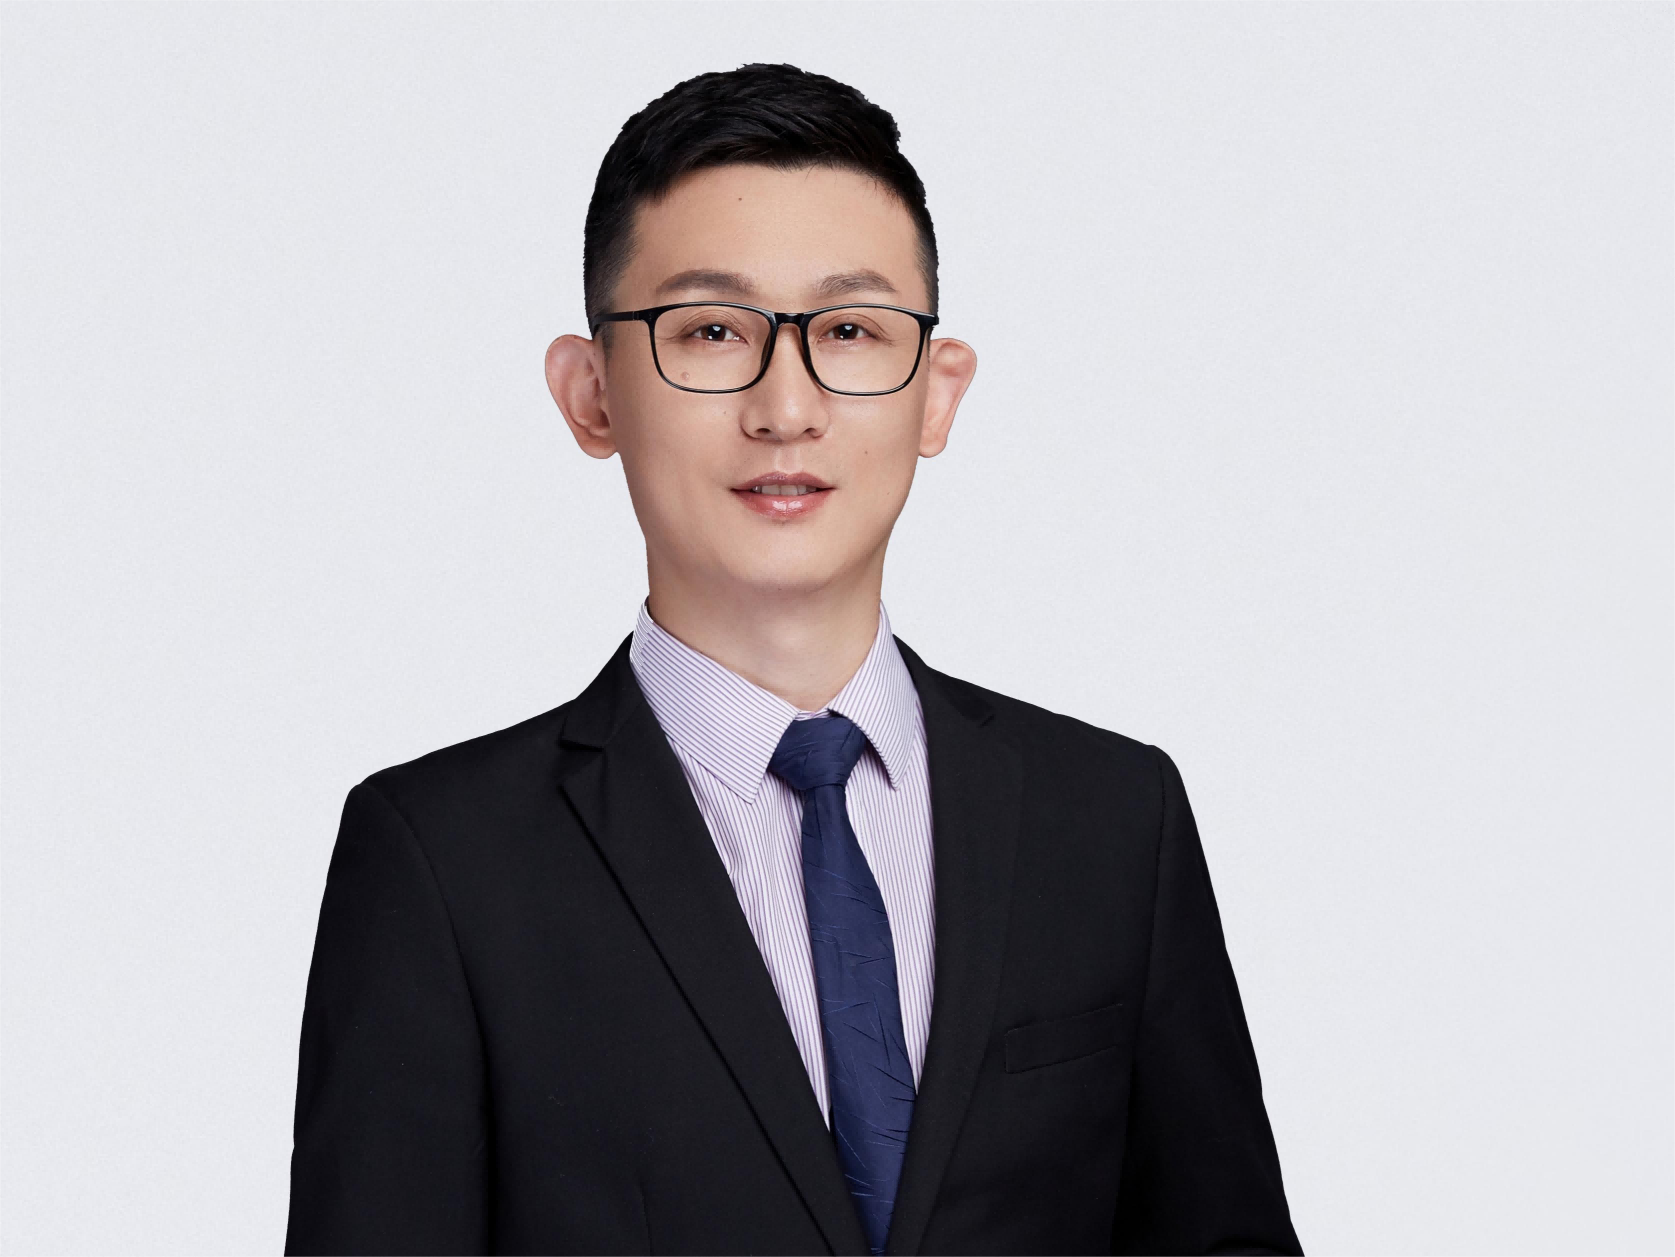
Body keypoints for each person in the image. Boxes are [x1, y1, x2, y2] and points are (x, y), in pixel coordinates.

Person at [284, 63, 1304, 1257]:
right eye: (711, 332)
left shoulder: (1113, 818)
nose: (785, 407)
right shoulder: (442, 861)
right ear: (590, 393)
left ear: (936, 393)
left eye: (850, 332)